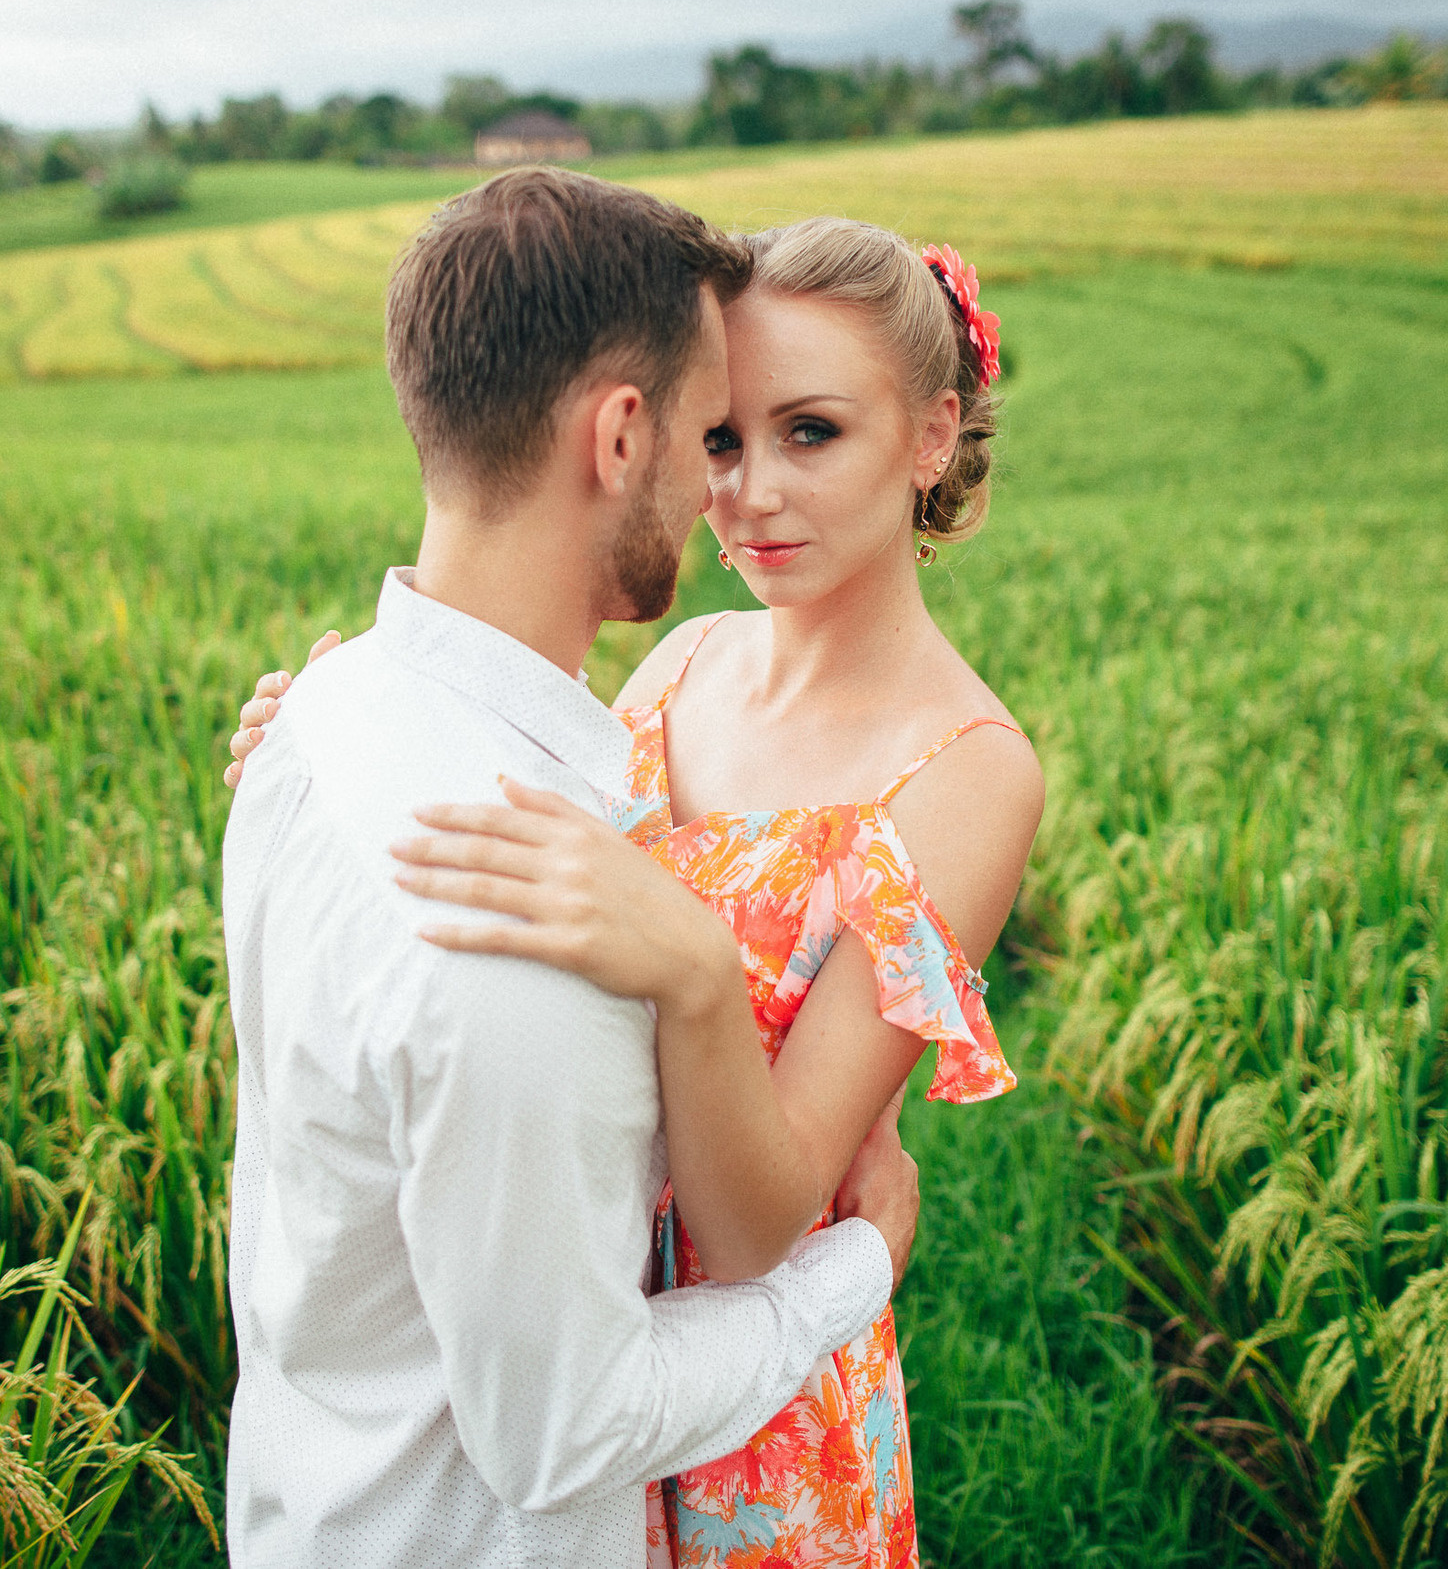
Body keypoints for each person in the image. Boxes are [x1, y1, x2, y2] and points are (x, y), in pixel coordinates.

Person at [226, 213, 1043, 1568]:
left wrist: (695, 975)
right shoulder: (683, 663)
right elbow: (534, 848)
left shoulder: (965, 771)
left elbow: (758, 1223)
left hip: (751, 1414)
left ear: (934, 435)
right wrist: (352, 729)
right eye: (721, 439)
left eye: (811, 433)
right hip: (573, 1317)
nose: (748, 492)